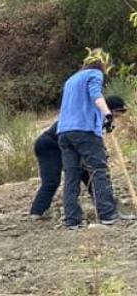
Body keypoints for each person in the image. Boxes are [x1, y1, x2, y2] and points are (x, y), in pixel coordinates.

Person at [57, 50, 132, 229]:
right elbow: (96, 95)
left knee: (71, 175)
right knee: (99, 170)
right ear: (103, 65)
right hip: (84, 131)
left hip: (64, 132)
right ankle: (107, 214)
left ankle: (72, 220)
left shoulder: (71, 80)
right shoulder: (94, 74)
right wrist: (107, 115)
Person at [30, 95, 127, 220]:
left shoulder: (98, 117)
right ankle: (38, 212)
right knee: (52, 181)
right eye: (116, 115)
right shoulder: (90, 115)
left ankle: (106, 205)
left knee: (88, 174)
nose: (116, 119)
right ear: (109, 110)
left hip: (69, 144)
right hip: (50, 145)